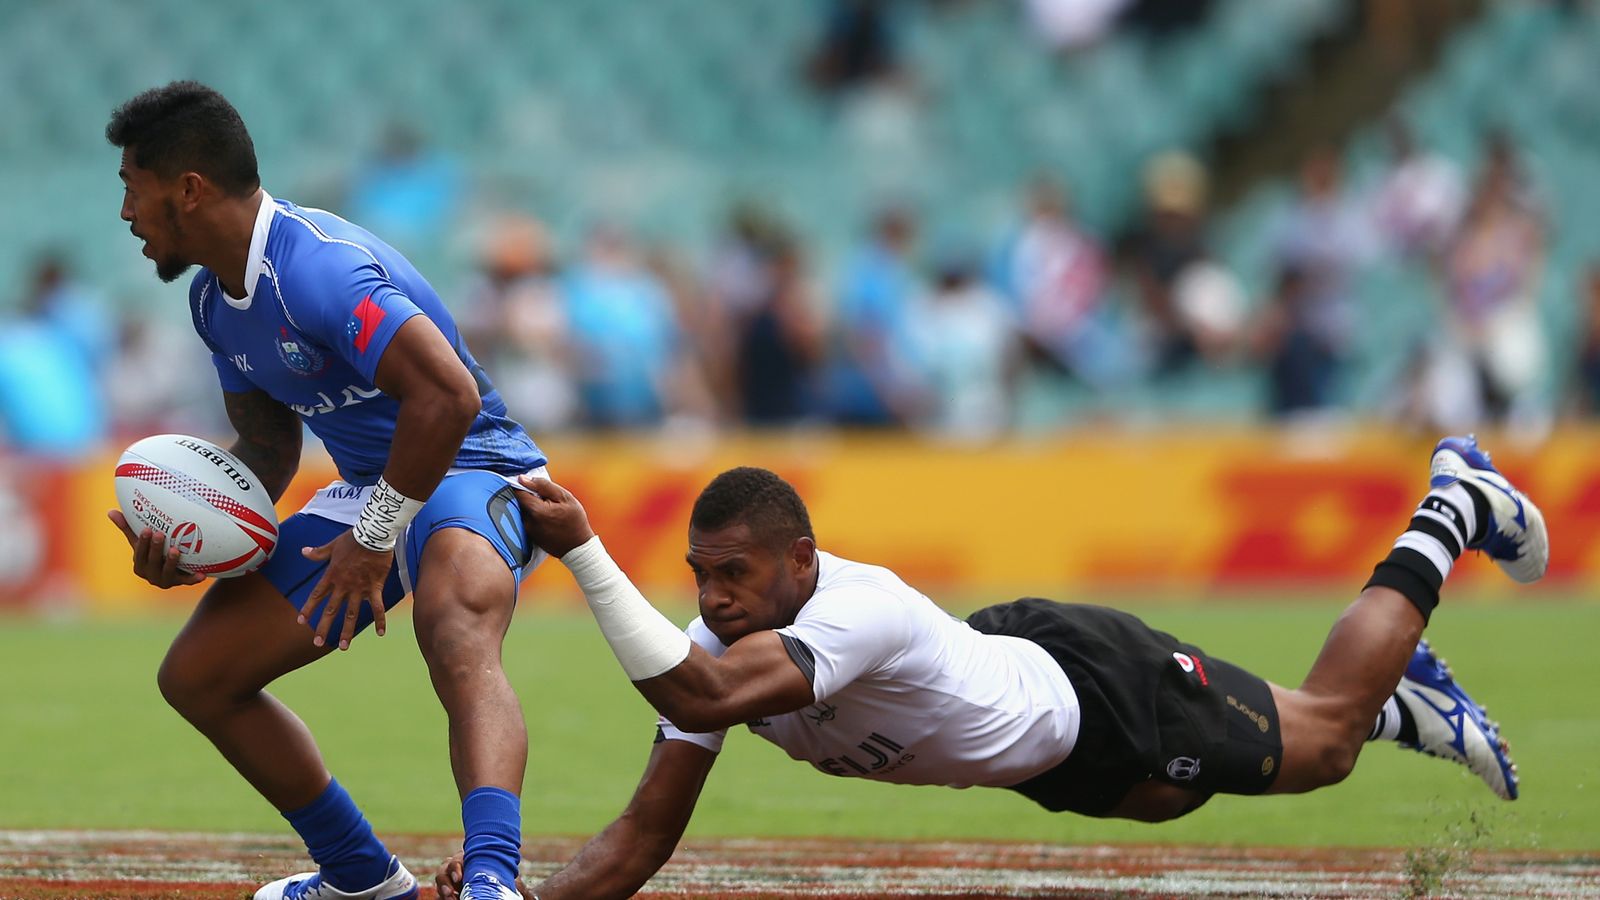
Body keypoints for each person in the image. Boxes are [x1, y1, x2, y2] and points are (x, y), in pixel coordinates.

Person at [438, 436, 1546, 899]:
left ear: (802, 562)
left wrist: (581, 551)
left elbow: (697, 695)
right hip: (1045, 739)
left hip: (1096, 690)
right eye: (700, 576)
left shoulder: (841, 615)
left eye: (733, 575)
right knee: (1165, 798)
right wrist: (520, 897)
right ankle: (1409, 699)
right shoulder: (728, 647)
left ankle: (1455, 504)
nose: (713, 599)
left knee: (1326, 746)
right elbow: (640, 837)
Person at [106, 81, 547, 900]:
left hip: (477, 468)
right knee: (198, 676)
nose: (127, 213)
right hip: (375, 489)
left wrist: (375, 538)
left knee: (454, 627)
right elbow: (270, 450)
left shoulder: (318, 271)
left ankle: (491, 881)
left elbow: (447, 400)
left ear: (189, 189)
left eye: (133, 188)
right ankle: (362, 876)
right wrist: (199, 539)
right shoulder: (214, 301)